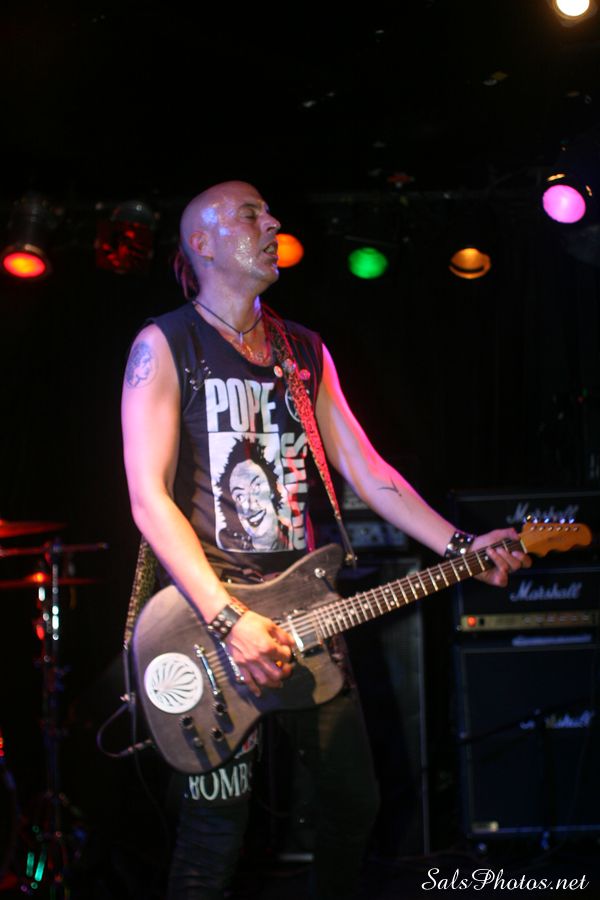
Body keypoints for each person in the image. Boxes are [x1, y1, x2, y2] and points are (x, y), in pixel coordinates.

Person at [121, 180, 530, 899]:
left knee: (352, 806)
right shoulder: (165, 343)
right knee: (214, 835)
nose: (272, 221)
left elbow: (369, 472)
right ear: (202, 243)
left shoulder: (302, 350)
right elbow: (148, 499)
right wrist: (229, 618)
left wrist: (460, 544)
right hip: (208, 617)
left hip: (308, 610)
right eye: (251, 213)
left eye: (269, 211)